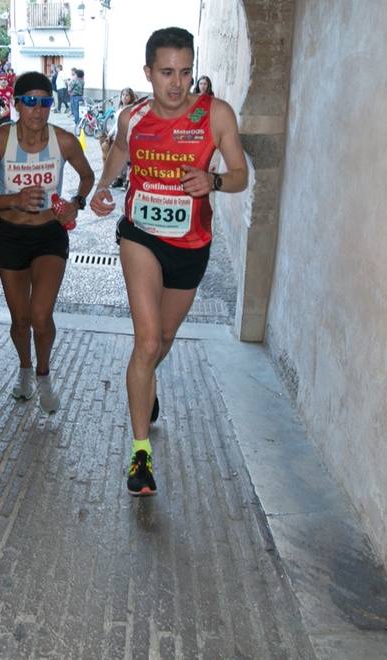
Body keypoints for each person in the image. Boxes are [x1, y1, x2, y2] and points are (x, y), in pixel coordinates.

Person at [90, 27, 247, 496]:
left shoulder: (216, 115)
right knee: (148, 338)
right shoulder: (131, 116)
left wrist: (213, 182)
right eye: (165, 73)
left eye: (184, 72)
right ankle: (141, 454)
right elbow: (120, 149)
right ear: (148, 73)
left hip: (191, 245)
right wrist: (104, 186)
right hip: (140, 235)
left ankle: (147, 383)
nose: (176, 84)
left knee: (163, 342)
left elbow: (239, 175)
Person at [0, 72, 94, 413]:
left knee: (41, 316)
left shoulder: (64, 141)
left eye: (44, 102)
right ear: (16, 105)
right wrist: (13, 199)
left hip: (49, 235)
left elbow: (87, 176)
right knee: (20, 320)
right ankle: (24, 371)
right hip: (11, 235)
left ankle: (44, 376)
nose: (38, 110)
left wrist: (77, 202)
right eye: (30, 102)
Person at [103, 87, 138, 189]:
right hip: (118, 137)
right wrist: (110, 134)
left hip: (128, 137)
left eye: (127, 95)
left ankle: (127, 181)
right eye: (123, 95)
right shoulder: (120, 109)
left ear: (131, 96)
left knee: (128, 160)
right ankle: (119, 178)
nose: (124, 97)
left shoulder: (133, 108)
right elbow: (116, 124)